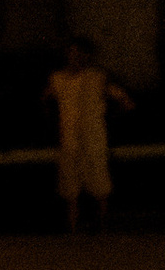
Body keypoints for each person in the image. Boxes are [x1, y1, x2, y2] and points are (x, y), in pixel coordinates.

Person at [45, 33, 133, 233]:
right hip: (69, 138)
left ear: (87, 55)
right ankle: (73, 229)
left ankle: (102, 226)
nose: (75, 57)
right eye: (71, 53)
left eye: (80, 53)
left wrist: (107, 119)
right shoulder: (58, 79)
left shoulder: (97, 77)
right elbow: (45, 101)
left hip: (94, 138)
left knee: (99, 183)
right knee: (70, 187)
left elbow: (125, 102)